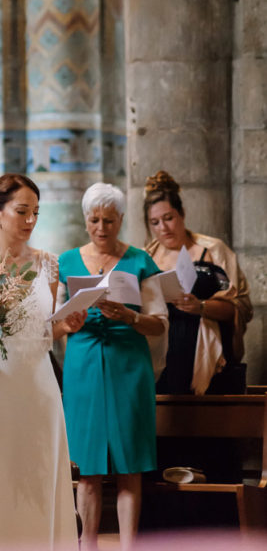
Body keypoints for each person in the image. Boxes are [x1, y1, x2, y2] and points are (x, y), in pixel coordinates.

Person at [0, 173, 85, 550]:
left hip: (39, 389)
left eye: (35, 213)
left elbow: (43, 333)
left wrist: (66, 325)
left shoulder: (49, 264)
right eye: (21, 211)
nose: (29, 221)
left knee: (39, 483)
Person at [58, 182, 167, 551]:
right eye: (94, 220)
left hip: (128, 366)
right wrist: (67, 323)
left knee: (129, 466)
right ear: (85, 220)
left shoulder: (138, 260)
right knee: (86, 468)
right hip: (83, 365)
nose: (101, 228)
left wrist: (129, 316)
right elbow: (54, 323)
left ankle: (127, 547)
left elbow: (160, 322)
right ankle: (86, 546)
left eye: (109, 220)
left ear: (121, 219)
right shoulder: (67, 261)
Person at [144, 169, 252, 395]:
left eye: (168, 218)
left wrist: (200, 307)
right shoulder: (145, 258)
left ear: (182, 214)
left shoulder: (213, 251)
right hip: (160, 354)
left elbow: (240, 306)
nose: (163, 228)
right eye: (155, 222)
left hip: (206, 351)